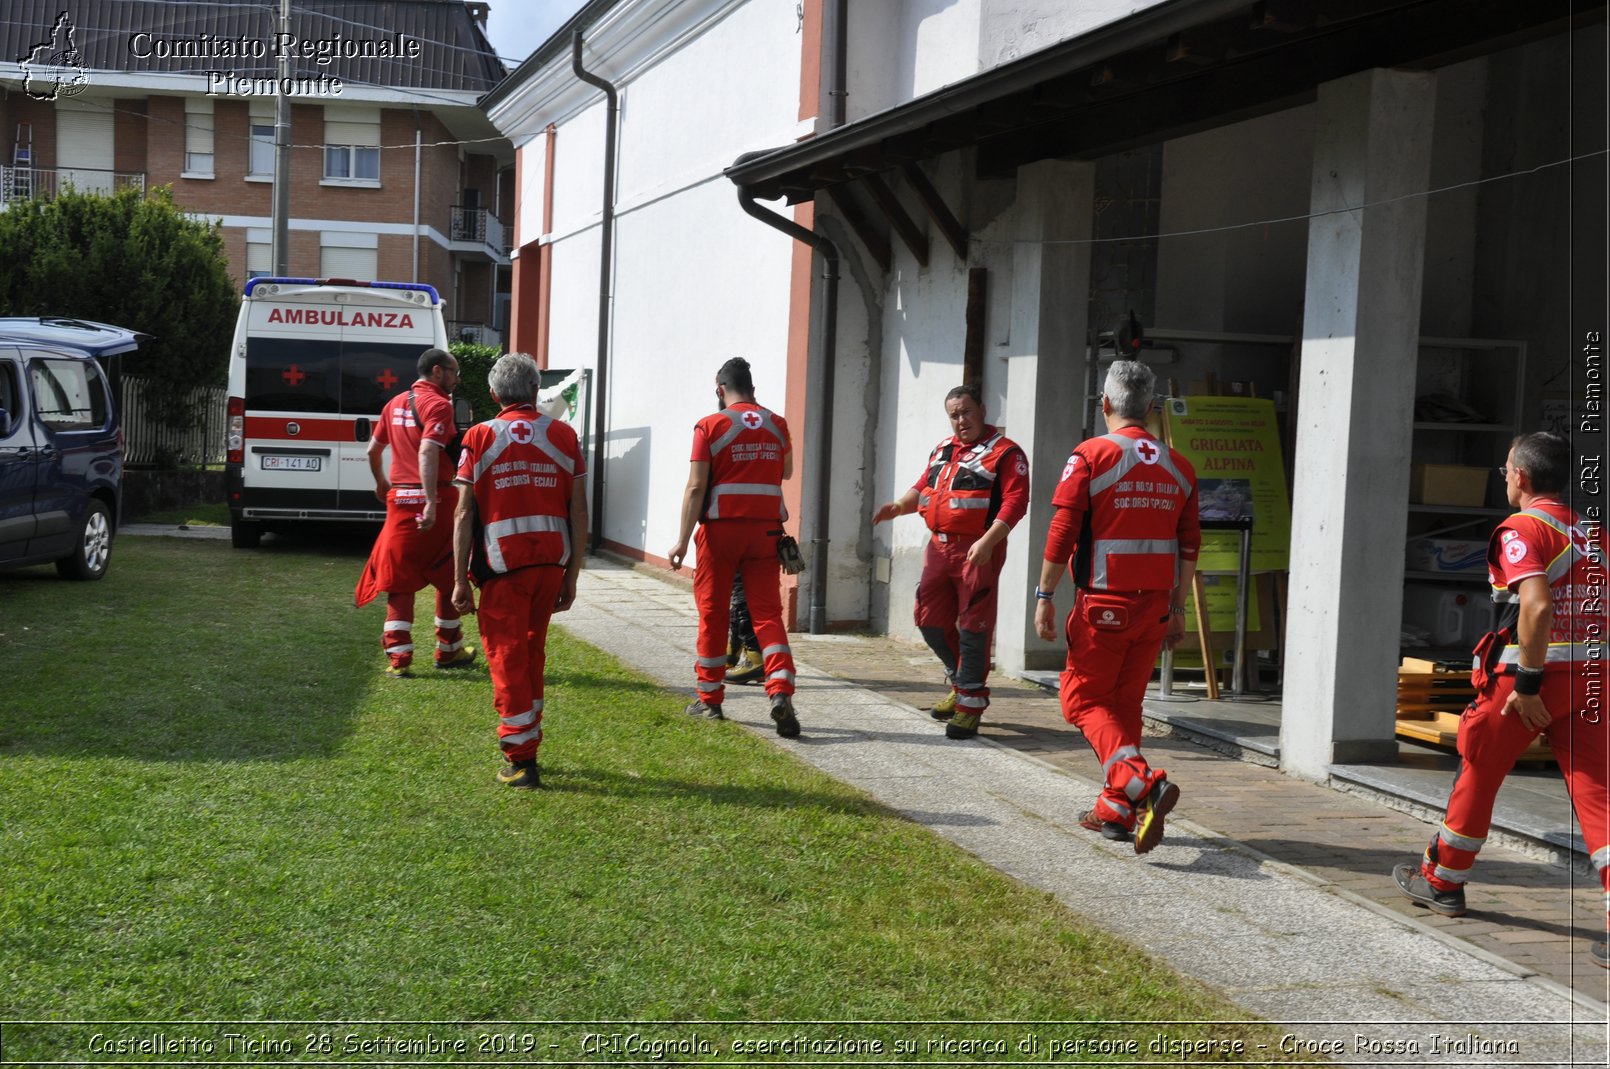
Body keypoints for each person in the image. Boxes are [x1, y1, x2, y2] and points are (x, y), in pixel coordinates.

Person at [1393, 432, 1608, 969]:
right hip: (1595, 680)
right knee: (1600, 797)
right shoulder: (1595, 534)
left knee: (1479, 772)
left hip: (1525, 685)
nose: (1504, 475)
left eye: (1506, 468)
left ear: (1522, 478)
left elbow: (1534, 607)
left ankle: (1442, 881)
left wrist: (1531, 683)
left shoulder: (1522, 528)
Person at [1033, 360, 1199, 854]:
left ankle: (1140, 783)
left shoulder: (1090, 456)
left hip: (1103, 606)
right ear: (1150, 409)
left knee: (1082, 700)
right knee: (1124, 705)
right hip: (1154, 610)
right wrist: (1178, 607)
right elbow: (1190, 545)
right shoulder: (1180, 465)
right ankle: (1116, 808)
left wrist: (1044, 595)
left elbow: (1062, 532)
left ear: (1103, 404)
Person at [450, 352, 588, 789]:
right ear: (534, 391)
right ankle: (528, 742)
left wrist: (457, 580)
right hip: (550, 560)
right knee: (530, 653)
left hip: (502, 564)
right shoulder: (564, 435)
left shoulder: (478, 436)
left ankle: (521, 757)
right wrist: (573, 575)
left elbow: (462, 514)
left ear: (493, 394)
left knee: (507, 657)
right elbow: (579, 512)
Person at [872, 383, 1029, 740]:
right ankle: (961, 685)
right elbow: (923, 487)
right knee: (929, 620)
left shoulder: (1005, 453)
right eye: (954, 415)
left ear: (983, 410)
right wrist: (898, 506)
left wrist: (990, 541)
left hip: (978, 550)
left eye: (966, 412)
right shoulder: (943, 449)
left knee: (974, 626)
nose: (961, 420)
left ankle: (970, 706)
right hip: (939, 550)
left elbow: (1016, 502)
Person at [668, 357, 800, 738]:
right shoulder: (777, 424)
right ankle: (780, 690)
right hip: (765, 533)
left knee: (713, 612)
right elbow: (786, 471)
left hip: (721, 532)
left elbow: (696, 486)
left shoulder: (710, 425)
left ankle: (709, 699)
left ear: (720, 390)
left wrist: (680, 539)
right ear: (752, 389)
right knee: (767, 615)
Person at [355, 347, 475, 678]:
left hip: (398, 501)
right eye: (454, 371)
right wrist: (431, 500)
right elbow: (427, 450)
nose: (456, 378)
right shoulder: (438, 404)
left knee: (399, 578)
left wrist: (381, 482)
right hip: (434, 497)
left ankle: (399, 657)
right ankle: (449, 649)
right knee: (449, 572)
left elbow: (372, 449)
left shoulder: (393, 404)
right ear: (438, 372)